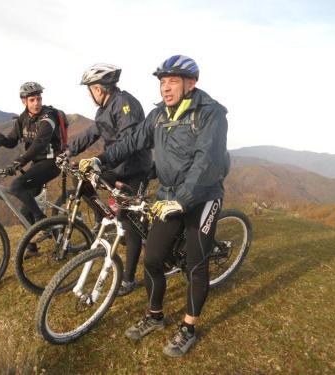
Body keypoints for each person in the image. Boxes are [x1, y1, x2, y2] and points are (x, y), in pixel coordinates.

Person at [79, 55, 230, 357]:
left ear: (191, 83)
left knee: (196, 266)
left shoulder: (210, 114)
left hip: (202, 197)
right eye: (162, 82)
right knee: (152, 259)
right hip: (169, 194)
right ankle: (155, 315)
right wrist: (101, 158)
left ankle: (188, 327)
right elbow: (133, 140)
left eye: (172, 81)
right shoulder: (159, 115)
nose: (165, 87)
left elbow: (205, 161)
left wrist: (181, 200)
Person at [67, 63, 153, 296]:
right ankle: (103, 216)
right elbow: (93, 132)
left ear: (100, 88)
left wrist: (101, 160)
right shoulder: (103, 109)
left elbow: (130, 142)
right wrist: (69, 150)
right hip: (114, 165)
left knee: (131, 224)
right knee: (82, 183)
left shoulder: (126, 104)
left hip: (135, 169)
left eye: (90, 88)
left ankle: (129, 279)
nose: (89, 93)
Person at [0, 82, 63, 254]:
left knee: (16, 186)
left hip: (51, 163)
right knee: (24, 210)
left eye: (39, 99)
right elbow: (13, 140)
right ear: (24, 102)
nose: (37, 103)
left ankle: (42, 220)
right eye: (32, 100)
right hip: (37, 164)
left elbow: (39, 144)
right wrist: (2, 141)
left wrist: (20, 161)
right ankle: (32, 246)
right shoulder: (23, 119)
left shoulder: (48, 118)